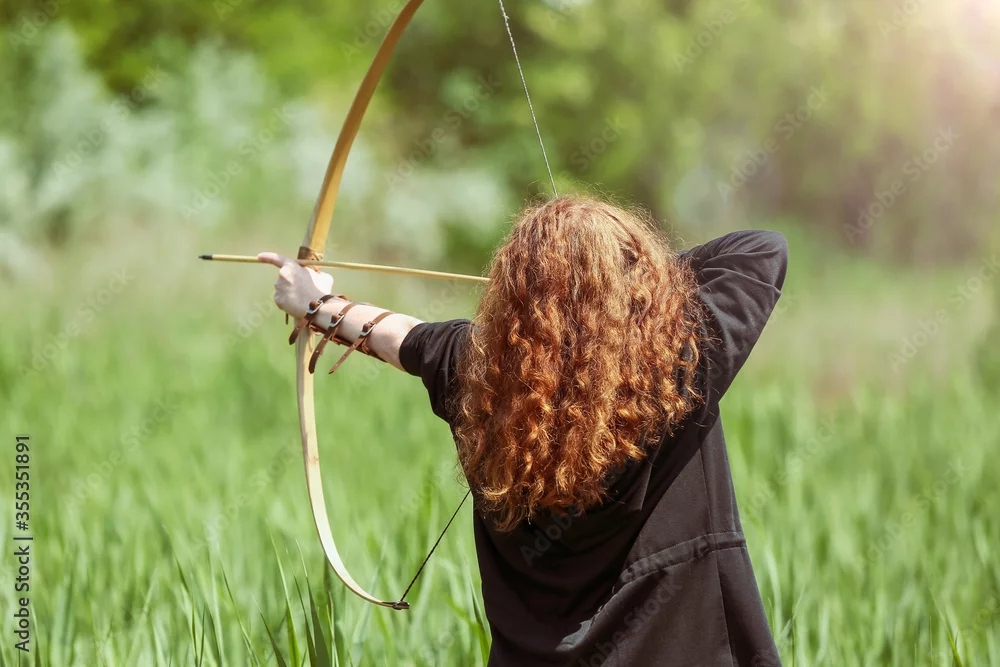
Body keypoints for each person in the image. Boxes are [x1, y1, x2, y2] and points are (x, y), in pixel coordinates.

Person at [261, 194, 788, 666]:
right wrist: (626, 280)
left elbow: (397, 335)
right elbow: (763, 249)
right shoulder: (681, 363)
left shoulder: (476, 374)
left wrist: (314, 303)